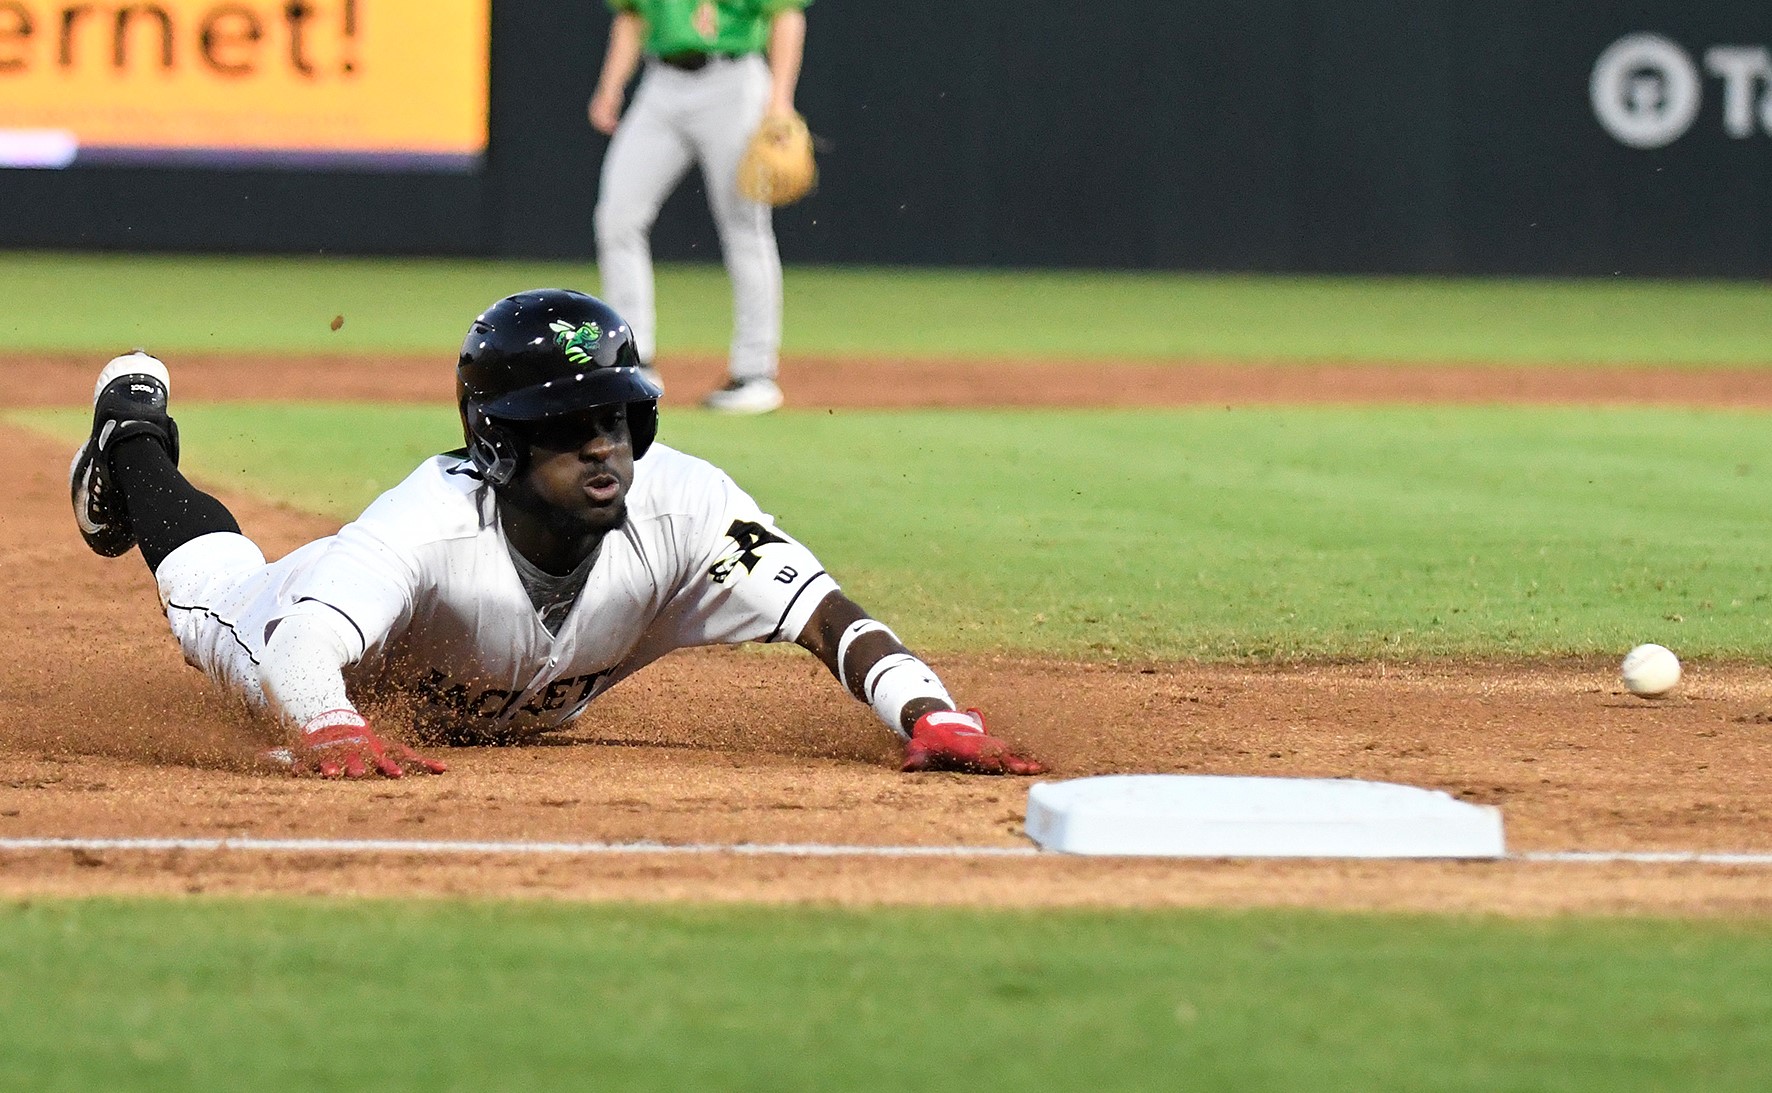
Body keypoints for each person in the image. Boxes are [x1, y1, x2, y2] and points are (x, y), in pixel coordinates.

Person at [67, 289, 1045, 780]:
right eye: (570, 431)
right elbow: (300, 645)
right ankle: (132, 437)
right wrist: (326, 721)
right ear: (500, 441)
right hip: (301, 620)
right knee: (217, 583)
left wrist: (931, 712)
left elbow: (827, 616)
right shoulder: (427, 524)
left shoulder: (685, 508)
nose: (604, 451)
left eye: (615, 421)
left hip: (460, 672)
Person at [589, 0, 809, 415]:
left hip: (734, 78)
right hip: (662, 82)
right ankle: (633, 361)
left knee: (745, 226)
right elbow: (631, 15)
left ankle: (755, 372)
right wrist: (610, 85)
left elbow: (786, 14)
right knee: (617, 219)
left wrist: (780, 100)